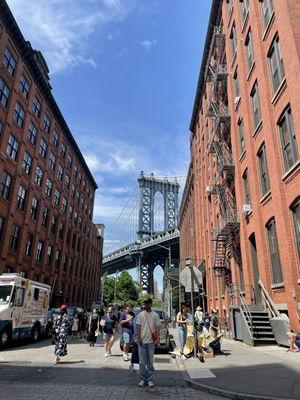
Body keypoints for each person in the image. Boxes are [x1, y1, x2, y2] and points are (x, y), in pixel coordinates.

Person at [137, 298, 160, 388]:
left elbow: (157, 328)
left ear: (151, 304)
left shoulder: (155, 315)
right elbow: (139, 327)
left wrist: (157, 339)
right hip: (142, 341)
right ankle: (143, 379)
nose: (145, 305)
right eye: (145, 304)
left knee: (150, 361)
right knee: (142, 362)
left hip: (151, 342)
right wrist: (139, 337)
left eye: (147, 304)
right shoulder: (141, 315)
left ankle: (150, 380)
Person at [129, 305, 144, 372]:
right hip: (138, 337)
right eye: (143, 308)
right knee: (136, 351)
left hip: (144, 337)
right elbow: (135, 327)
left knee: (140, 352)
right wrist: (136, 337)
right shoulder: (138, 317)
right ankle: (132, 365)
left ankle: (141, 366)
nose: (144, 310)